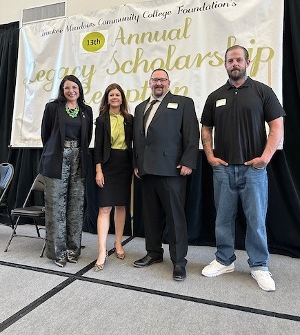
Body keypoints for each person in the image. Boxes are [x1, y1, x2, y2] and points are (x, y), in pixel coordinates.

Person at [200, 45, 285, 291]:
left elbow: (277, 126)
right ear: (225, 65)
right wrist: (210, 156)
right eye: (230, 60)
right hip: (223, 169)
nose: (234, 63)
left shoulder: (262, 92)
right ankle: (224, 260)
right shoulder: (215, 96)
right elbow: (206, 128)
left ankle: (259, 266)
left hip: (254, 170)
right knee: (223, 219)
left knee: (256, 220)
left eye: (238, 59)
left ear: (248, 63)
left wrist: (265, 158)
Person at [133, 69, 199, 281]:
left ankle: (179, 261)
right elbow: (138, 139)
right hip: (147, 170)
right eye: (155, 80)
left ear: (169, 83)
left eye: (162, 80)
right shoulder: (140, 107)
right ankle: (153, 253)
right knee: (150, 216)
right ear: (149, 83)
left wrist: (188, 161)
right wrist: (137, 164)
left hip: (172, 169)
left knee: (175, 218)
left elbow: (192, 134)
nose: (158, 83)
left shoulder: (183, 103)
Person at [39, 75, 93, 267]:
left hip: (79, 158)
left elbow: (87, 138)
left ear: (80, 89)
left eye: (74, 87)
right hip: (57, 159)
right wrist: (56, 151)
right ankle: (58, 252)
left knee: (76, 207)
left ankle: (73, 250)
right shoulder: (53, 108)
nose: (71, 91)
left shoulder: (86, 110)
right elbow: (45, 134)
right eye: (67, 87)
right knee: (56, 207)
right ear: (62, 90)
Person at [93, 84, 133, 271]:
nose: (115, 97)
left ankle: (118, 243)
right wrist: (98, 170)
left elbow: (134, 145)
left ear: (122, 98)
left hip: (124, 165)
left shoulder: (129, 119)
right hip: (107, 167)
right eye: (111, 95)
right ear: (107, 98)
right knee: (105, 207)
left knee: (121, 205)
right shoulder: (101, 120)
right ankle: (102, 250)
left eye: (117, 94)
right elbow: (98, 148)